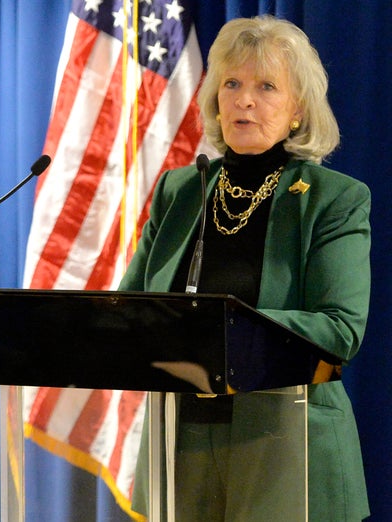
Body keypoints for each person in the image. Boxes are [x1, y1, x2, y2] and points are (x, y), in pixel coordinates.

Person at [119, 15, 370, 521]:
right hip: (179, 437)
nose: (244, 99)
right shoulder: (180, 191)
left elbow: (339, 329)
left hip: (285, 441)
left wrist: (227, 328)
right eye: (231, 83)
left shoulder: (331, 200)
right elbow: (128, 309)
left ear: (298, 109)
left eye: (266, 87)